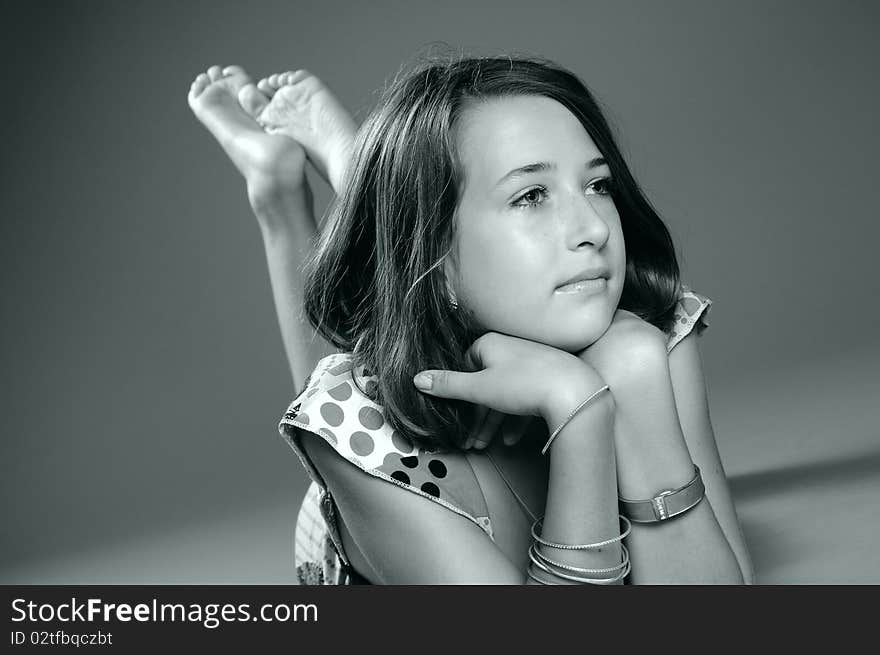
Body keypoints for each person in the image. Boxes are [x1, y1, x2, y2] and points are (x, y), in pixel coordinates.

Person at [187, 54, 754, 584]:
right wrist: (579, 417)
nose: (596, 229)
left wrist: (633, 372)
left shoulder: (648, 337)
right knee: (371, 331)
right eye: (531, 195)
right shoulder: (358, 434)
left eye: (597, 185)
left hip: (438, 263)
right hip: (365, 532)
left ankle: (363, 170)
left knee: (417, 233)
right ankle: (278, 195)